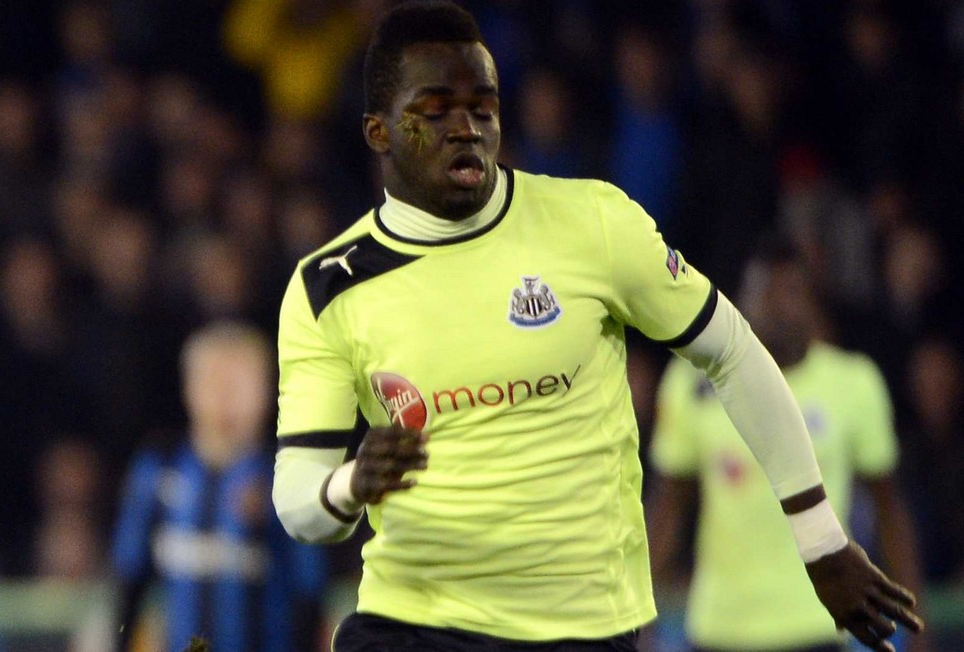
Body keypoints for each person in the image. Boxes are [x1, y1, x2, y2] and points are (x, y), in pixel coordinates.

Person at [272, 3, 922, 651]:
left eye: (484, 106)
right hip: (413, 622)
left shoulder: (592, 224)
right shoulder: (329, 285)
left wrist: (820, 539)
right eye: (435, 110)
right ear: (378, 132)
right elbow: (300, 502)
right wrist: (350, 483)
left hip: (581, 629)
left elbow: (734, 352)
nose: (467, 128)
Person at [646, 241, 926, 652]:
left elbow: (889, 509)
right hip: (718, 627)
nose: (777, 307)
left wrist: (920, 628)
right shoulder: (690, 383)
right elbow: (668, 506)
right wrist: (642, 614)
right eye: (765, 292)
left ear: (813, 303)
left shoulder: (853, 383)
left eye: (791, 291)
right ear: (741, 302)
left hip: (816, 623)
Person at [112, 322, 325, 652]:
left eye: (239, 382)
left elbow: (310, 593)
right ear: (188, 387)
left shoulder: (289, 479)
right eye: (213, 380)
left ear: (267, 390)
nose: (225, 396)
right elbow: (127, 583)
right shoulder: (157, 469)